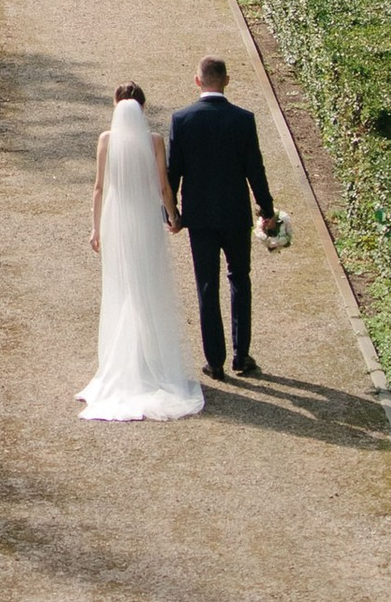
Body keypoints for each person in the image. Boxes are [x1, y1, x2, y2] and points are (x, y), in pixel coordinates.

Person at [77, 83, 204, 422]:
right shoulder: (155, 141)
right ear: (143, 108)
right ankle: (150, 362)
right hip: (145, 220)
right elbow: (163, 185)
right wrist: (173, 215)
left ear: (116, 107)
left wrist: (96, 228)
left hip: (117, 220)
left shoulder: (106, 140)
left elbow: (99, 187)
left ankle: (123, 365)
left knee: (122, 287)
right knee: (147, 286)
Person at [166, 54, 279, 380]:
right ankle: (241, 356)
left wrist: (172, 213)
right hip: (234, 214)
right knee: (239, 280)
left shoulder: (182, 119)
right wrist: (267, 210)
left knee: (206, 286)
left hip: (199, 217)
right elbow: (254, 170)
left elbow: (174, 172)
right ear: (227, 80)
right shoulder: (243, 119)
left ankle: (214, 361)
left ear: (197, 80)